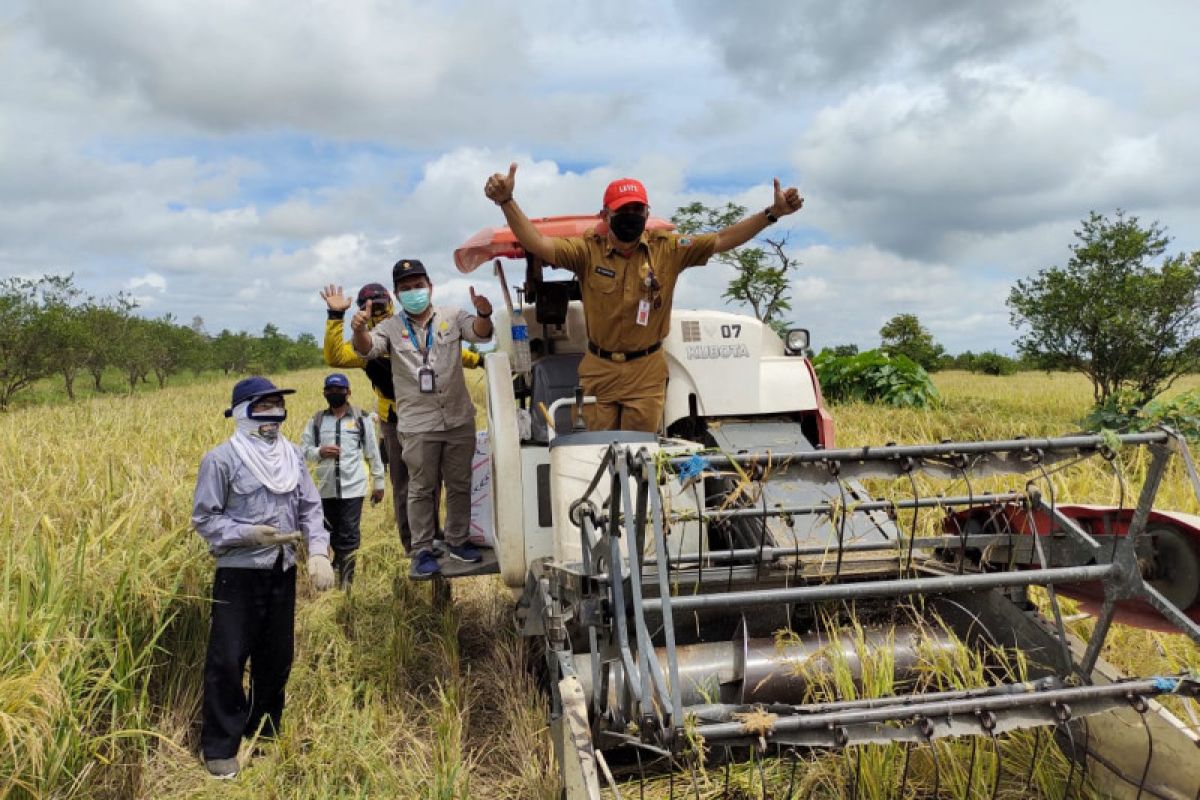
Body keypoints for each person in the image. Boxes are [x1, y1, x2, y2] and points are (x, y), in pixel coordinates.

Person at [483, 164, 805, 432]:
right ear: (605, 215)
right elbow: (539, 244)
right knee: (597, 456)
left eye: (638, 209)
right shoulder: (586, 251)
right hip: (600, 370)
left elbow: (722, 238)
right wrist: (507, 201)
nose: (632, 216)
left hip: (646, 371)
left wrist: (772, 213)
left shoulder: (669, 249)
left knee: (641, 457)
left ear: (647, 212)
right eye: (624, 210)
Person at [191, 376, 334, 779]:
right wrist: (247, 533)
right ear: (242, 412)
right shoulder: (221, 460)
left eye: (277, 405)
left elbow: (309, 507)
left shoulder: (291, 455)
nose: (272, 414)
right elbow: (205, 519)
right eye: (263, 406)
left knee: (276, 658)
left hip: (281, 569)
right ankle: (220, 747)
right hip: (239, 572)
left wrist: (318, 551)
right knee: (228, 659)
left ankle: (264, 732)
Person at [351, 258, 494, 577]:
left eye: (418, 286)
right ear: (397, 294)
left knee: (460, 483)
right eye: (405, 288)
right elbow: (367, 349)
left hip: (458, 419)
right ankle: (422, 549)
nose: (413, 292)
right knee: (420, 487)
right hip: (416, 425)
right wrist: (359, 329)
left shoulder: (453, 316)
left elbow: (480, 334)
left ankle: (457, 540)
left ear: (430, 287)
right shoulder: (389, 328)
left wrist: (484, 313)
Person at [320, 282, 482, 553]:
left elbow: (446, 351)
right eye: (371, 306)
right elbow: (335, 355)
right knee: (407, 483)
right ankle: (413, 545)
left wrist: (479, 361)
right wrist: (336, 318)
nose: (378, 310)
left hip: (429, 412)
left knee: (434, 480)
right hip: (394, 418)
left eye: (381, 304)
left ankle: (434, 533)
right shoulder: (368, 343)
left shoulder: (403, 328)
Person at [299, 372, 386, 588]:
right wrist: (320, 451)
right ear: (325, 393)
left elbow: (373, 452)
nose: (335, 393)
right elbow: (303, 451)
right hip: (326, 488)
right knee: (329, 531)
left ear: (348, 392)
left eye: (339, 390)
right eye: (331, 390)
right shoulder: (316, 420)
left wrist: (379, 483)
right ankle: (334, 567)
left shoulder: (361, 418)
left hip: (352, 488)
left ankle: (347, 583)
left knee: (348, 534)